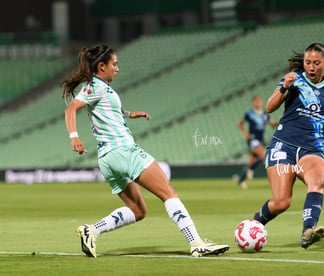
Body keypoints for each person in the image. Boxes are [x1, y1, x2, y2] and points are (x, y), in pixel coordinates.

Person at [61, 44, 229, 258]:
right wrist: (74, 137)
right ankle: (196, 243)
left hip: (106, 159)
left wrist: (131, 114)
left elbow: (109, 111)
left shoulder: (101, 88)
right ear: (101, 66)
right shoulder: (95, 86)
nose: (117, 68)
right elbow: (71, 109)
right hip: (123, 150)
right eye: (115, 64)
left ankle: (92, 230)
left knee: (138, 210)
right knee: (168, 193)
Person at [252, 43, 324, 249]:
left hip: (311, 149)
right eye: (308, 62)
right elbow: (269, 108)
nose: (311, 67)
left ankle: (308, 230)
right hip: (283, 146)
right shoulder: (294, 79)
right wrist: (284, 86)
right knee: (282, 202)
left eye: (316, 63)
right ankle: (255, 224)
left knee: (318, 181)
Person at [236, 95, 278, 189]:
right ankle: (250, 170)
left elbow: (272, 124)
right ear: (253, 103)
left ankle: (241, 179)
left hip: (260, 140)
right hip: (253, 139)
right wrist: (245, 133)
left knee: (251, 161)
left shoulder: (265, 114)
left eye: (259, 101)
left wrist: (281, 122)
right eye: (256, 101)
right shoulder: (249, 114)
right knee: (263, 156)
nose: (258, 102)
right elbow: (239, 123)